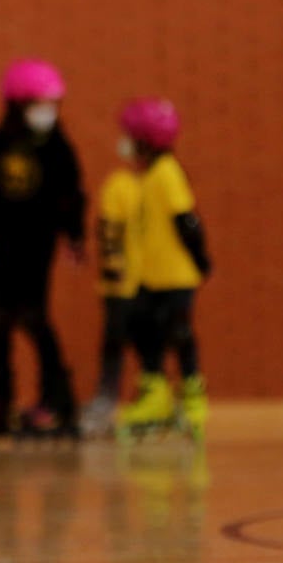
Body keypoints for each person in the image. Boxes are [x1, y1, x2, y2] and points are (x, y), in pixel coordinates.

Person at [0, 59, 85, 442]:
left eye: (52, 104)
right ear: (19, 105)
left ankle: (57, 400)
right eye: (41, 104)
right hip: (4, 245)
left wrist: (75, 236)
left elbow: (72, 195)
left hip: (39, 246)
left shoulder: (58, 147)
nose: (48, 112)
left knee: (35, 318)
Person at [115, 98, 212, 438]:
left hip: (174, 275)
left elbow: (186, 221)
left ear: (145, 139)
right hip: (151, 275)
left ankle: (193, 398)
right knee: (145, 334)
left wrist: (200, 259)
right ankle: (156, 395)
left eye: (129, 135)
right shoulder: (150, 175)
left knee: (179, 335)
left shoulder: (167, 172)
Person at [79, 125, 143, 437]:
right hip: (123, 284)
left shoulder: (159, 181)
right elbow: (108, 231)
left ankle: (151, 398)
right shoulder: (120, 184)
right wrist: (114, 269)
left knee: (153, 346)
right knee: (114, 346)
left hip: (152, 280)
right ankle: (106, 399)